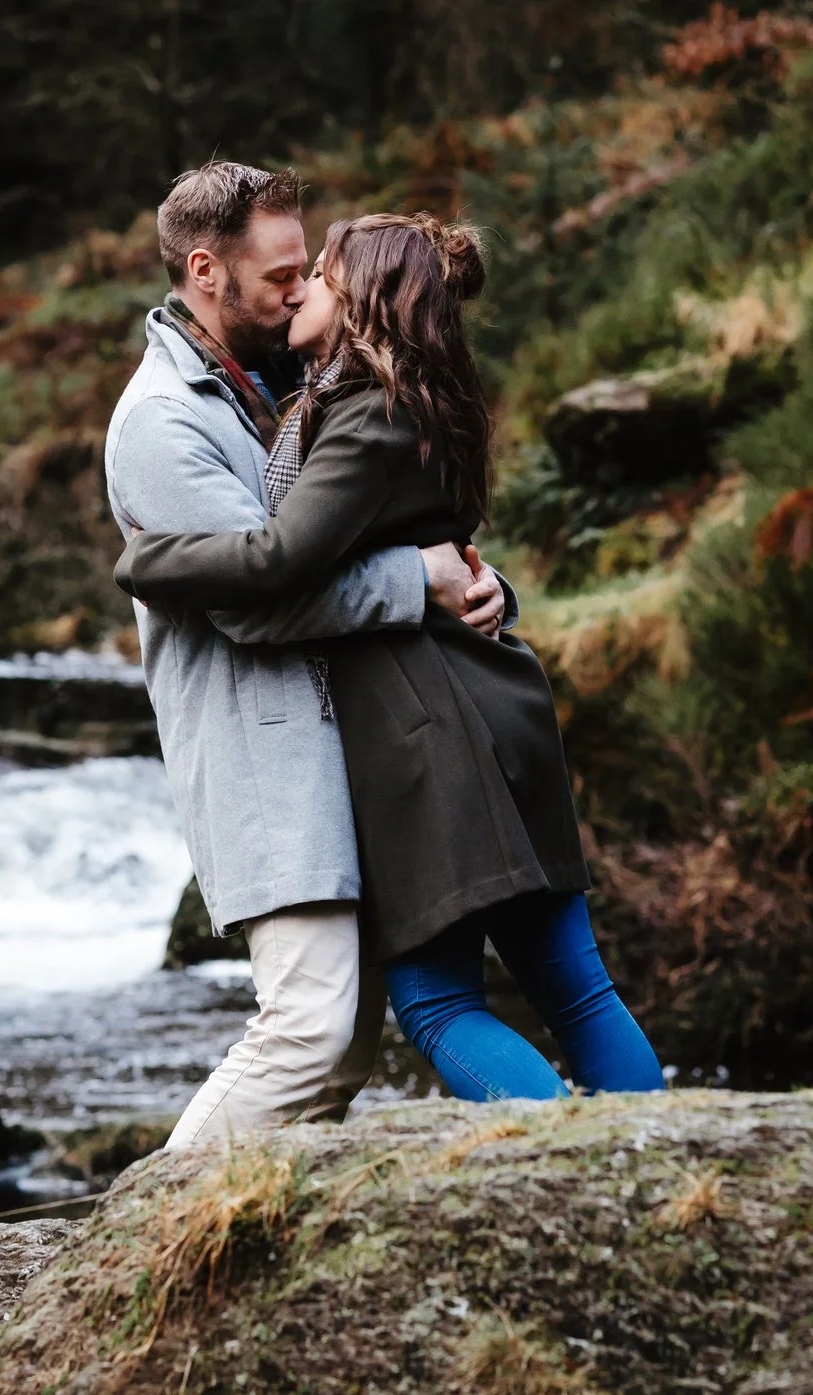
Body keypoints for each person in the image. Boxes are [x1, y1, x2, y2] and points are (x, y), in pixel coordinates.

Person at [116, 212, 665, 1102]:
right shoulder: (423, 397)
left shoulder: (364, 414)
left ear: (361, 300)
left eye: (319, 276)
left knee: (438, 1001)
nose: (302, 290)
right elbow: (430, 548)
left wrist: (149, 557)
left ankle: (572, 1161)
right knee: (576, 986)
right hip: (497, 696)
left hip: (426, 724)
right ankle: (651, 1159)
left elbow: (277, 562)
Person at [104, 164, 508, 1148]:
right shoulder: (163, 422)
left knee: (345, 1049)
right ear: (205, 268)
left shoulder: (299, 374)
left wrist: (475, 580)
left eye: (305, 270)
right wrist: (421, 582)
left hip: (357, 742)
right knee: (309, 1031)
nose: (302, 288)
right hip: (262, 753)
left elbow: (379, 523)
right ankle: (133, 1248)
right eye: (282, 273)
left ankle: (220, 1273)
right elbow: (259, 603)